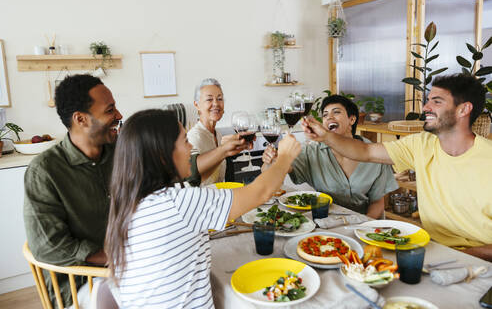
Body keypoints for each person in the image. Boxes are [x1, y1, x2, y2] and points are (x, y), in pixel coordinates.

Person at [105, 109, 300, 308]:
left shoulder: (130, 200)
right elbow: (261, 193)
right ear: (162, 155)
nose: (191, 148)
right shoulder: (178, 203)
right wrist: (285, 157)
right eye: (185, 141)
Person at [302, 74, 492, 261]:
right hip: (430, 250)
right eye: (428, 100)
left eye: (437, 101)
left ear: (463, 109)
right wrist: (325, 136)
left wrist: (456, 256)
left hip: (479, 260)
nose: (426, 107)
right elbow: (365, 152)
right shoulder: (422, 144)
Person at [23, 74, 122, 307]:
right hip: (78, 284)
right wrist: (110, 258)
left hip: (125, 268)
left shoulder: (120, 151)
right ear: (81, 119)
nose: (119, 115)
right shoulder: (44, 171)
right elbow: (48, 246)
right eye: (110, 110)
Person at [262, 95, 398, 218]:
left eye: (336, 112)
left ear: (352, 119)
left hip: (366, 224)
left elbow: (378, 201)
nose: (329, 117)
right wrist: (271, 161)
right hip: (326, 222)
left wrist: (363, 225)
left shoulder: (373, 152)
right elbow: (275, 173)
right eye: (325, 115)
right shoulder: (311, 151)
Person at [187, 78, 249, 185]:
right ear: (197, 105)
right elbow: (191, 176)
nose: (216, 103)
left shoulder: (217, 134)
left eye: (220, 99)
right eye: (209, 99)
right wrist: (223, 150)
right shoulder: (194, 137)